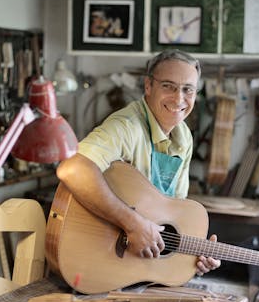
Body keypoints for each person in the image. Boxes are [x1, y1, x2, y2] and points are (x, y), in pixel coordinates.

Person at [56, 49, 221, 276]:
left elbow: (170, 214)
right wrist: (132, 223)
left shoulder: (183, 137)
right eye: (168, 86)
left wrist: (195, 255)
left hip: (136, 268)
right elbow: (72, 168)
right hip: (97, 259)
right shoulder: (126, 126)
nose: (179, 98)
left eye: (188, 89)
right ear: (148, 86)